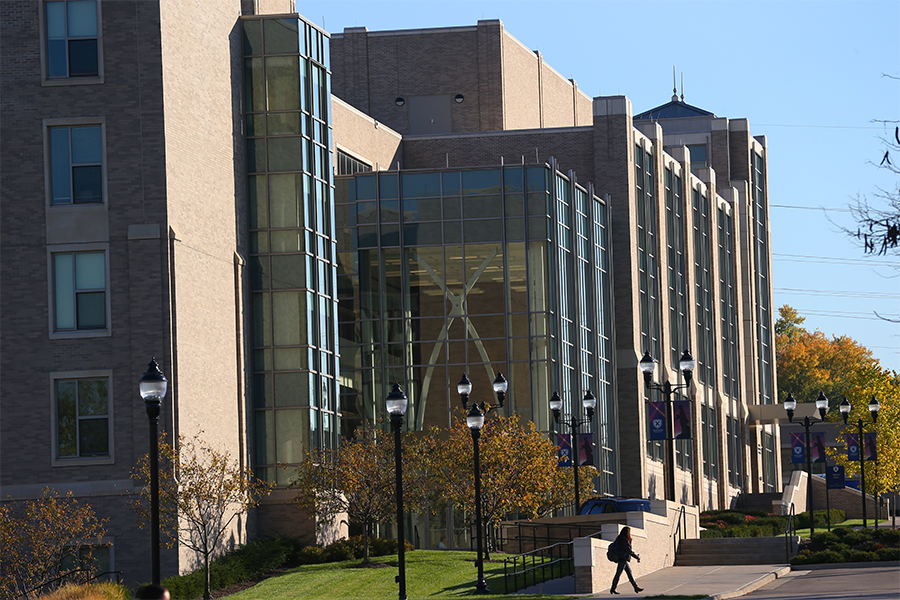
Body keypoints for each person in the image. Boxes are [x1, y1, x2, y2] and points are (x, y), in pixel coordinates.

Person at [609, 526, 643, 595]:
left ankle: (636, 587)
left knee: (629, 573)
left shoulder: (619, 538)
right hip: (623, 558)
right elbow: (628, 550)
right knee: (618, 574)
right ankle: (613, 589)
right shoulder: (624, 540)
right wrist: (637, 557)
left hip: (621, 558)